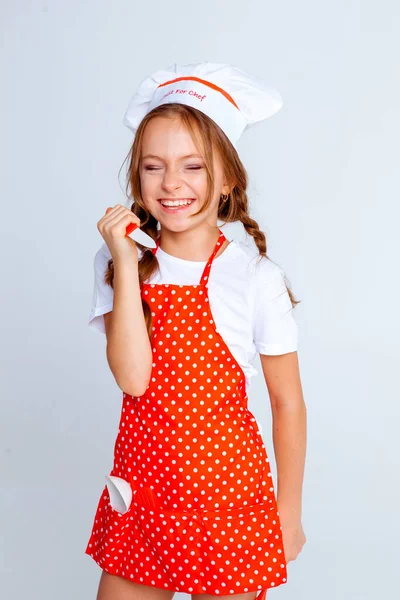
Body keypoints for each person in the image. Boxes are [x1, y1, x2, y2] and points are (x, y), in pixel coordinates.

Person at [85, 62, 307, 600]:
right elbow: (134, 379)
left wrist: (289, 511)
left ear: (227, 178)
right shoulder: (119, 264)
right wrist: (122, 255)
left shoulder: (256, 278)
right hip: (144, 501)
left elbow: (286, 403)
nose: (172, 184)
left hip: (230, 503)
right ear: (137, 176)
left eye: (193, 166)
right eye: (154, 167)